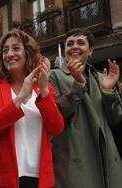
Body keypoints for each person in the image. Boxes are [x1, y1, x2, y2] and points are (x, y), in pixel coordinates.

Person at [0, 29, 64, 188]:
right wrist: (20, 97)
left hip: (39, 177)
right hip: (2, 178)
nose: (9, 54)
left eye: (16, 48)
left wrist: (44, 90)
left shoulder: (44, 86)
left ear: (28, 53)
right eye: (5, 50)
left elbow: (57, 128)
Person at [49, 28, 122, 188]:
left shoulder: (102, 78)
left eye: (81, 43)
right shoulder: (53, 75)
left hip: (107, 161)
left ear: (90, 51)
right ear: (65, 51)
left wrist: (109, 92)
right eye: (70, 44)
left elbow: (115, 119)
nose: (74, 46)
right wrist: (78, 84)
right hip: (74, 164)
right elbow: (55, 116)